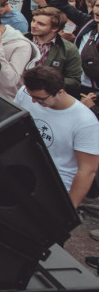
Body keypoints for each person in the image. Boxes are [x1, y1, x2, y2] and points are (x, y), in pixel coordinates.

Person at [14, 66, 99, 208]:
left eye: (40, 99)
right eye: (31, 96)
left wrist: (70, 209)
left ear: (60, 92)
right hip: (22, 173)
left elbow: (87, 171)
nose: (34, 102)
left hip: (55, 188)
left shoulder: (85, 122)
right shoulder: (25, 93)